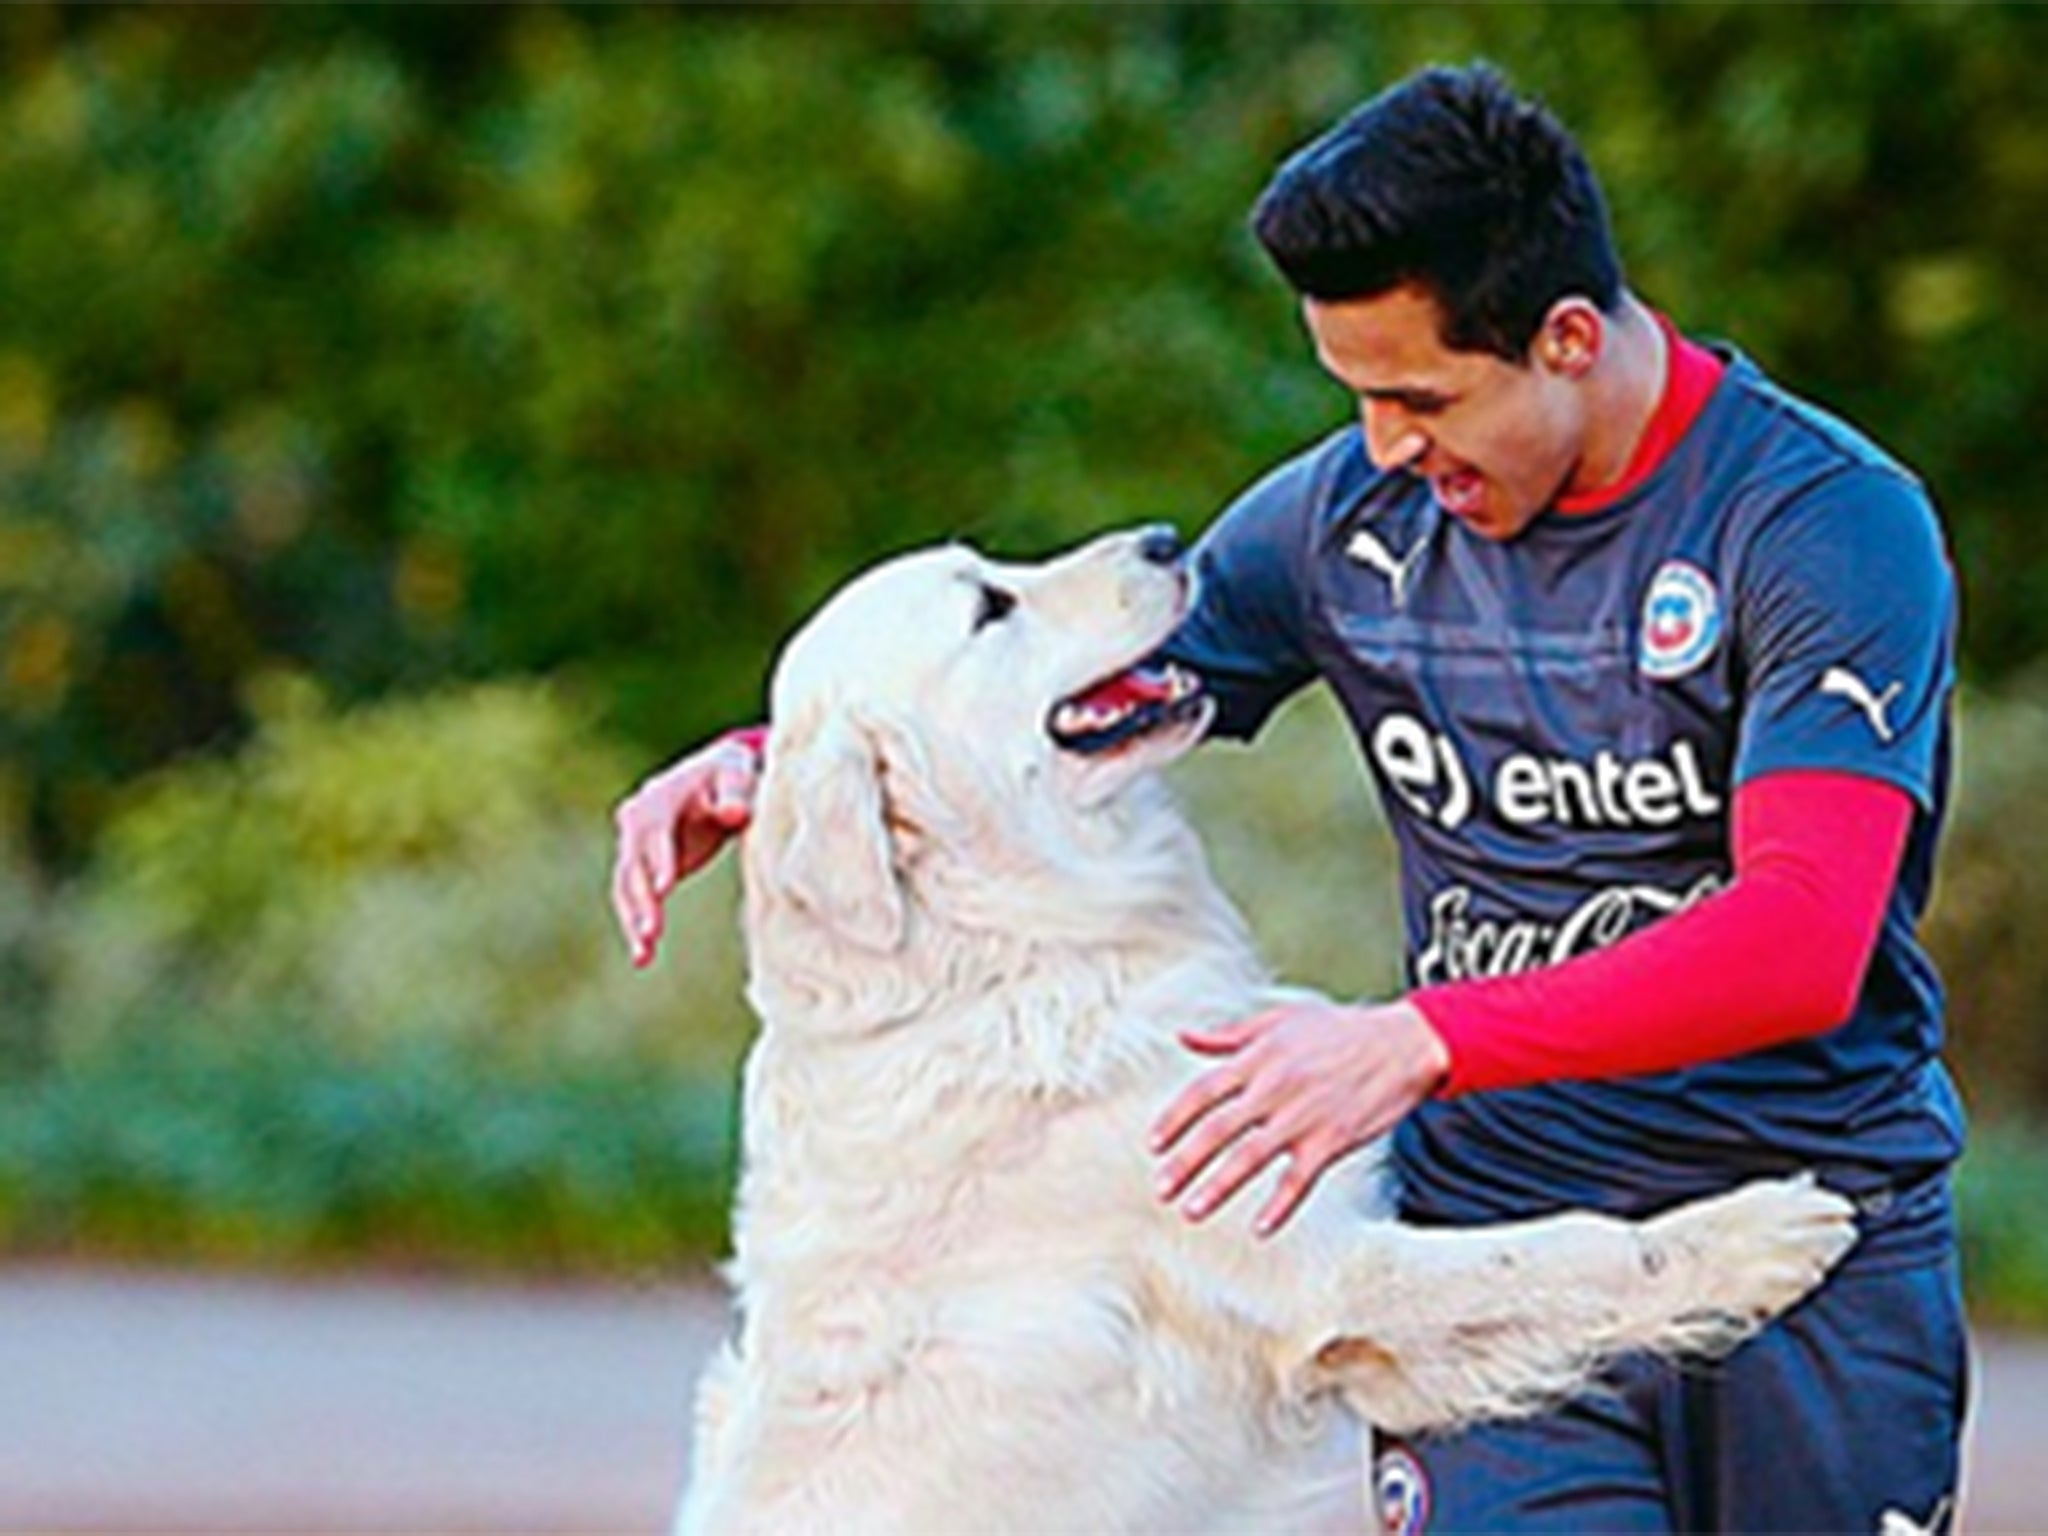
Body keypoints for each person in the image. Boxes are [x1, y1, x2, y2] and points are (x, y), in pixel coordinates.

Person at [610, 62, 1966, 1536]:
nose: (1383, 447)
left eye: (1421, 397)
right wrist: (776, 761)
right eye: (1357, 397)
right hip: (1487, 1233)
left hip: (1824, 1233)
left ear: (1569, 338)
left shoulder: (1825, 525)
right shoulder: (1354, 517)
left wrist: (1411, 1041)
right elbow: (1033, 712)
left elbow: (1801, 939)